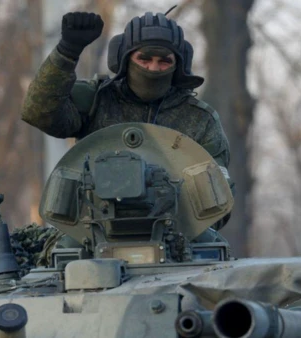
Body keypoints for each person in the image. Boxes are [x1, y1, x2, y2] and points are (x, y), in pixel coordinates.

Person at [21, 11, 232, 243]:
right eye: (144, 59)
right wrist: (67, 52)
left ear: (179, 65)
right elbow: (39, 112)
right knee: (64, 252)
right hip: (93, 232)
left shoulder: (199, 119)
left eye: (164, 61)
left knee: (212, 246)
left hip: (176, 237)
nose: (153, 68)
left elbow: (218, 202)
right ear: (125, 58)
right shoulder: (96, 100)